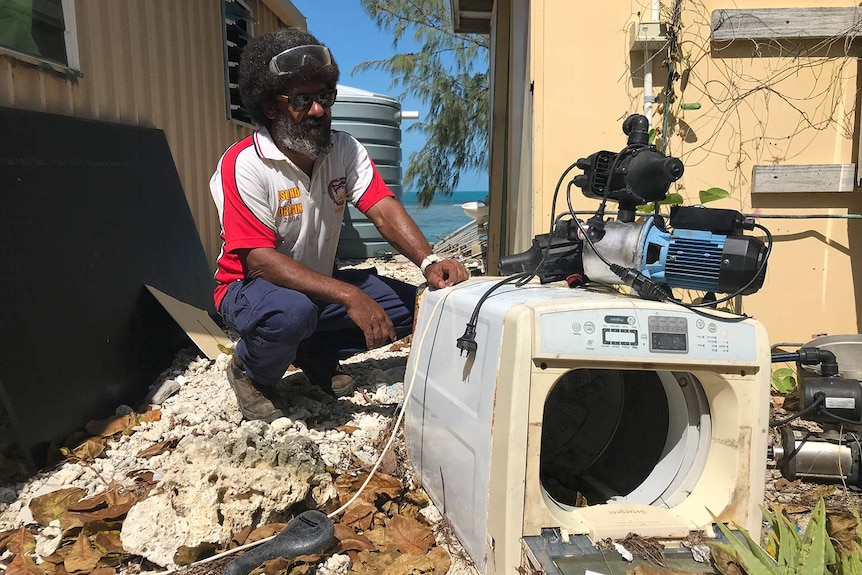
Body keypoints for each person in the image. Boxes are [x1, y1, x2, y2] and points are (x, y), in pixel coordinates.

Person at [209, 28, 470, 422]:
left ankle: (312, 350)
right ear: (270, 108)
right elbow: (260, 260)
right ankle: (250, 371)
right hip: (249, 290)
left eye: (323, 97)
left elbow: (382, 207)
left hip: (314, 286)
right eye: (301, 100)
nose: (318, 110)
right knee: (291, 313)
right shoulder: (245, 164)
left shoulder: (343, 148)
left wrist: (429, 260)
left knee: (412, 308)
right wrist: (350, 296)